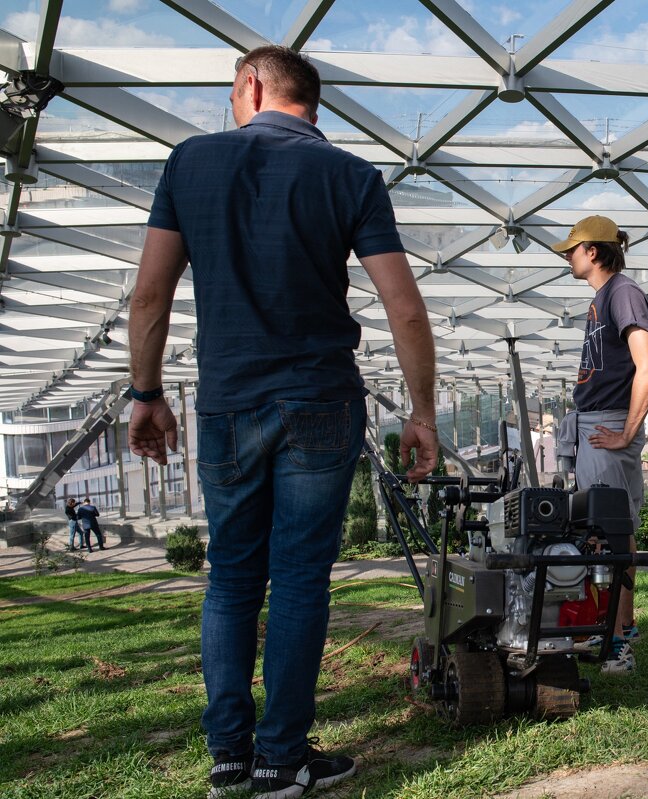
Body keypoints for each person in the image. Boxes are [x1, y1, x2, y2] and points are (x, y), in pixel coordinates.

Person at [126, 46, 438, 799]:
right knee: (299, 578)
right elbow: (403, 305)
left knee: (232, 577)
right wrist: (422, 409)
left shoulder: (189, 164)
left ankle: (229, 754)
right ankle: (280, 759)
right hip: (321, 398)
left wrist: (146, 393)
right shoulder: (351, 175)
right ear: (312, 101)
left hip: (228, 399)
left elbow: (149, 297)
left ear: (250, 86)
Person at [552, 215, 648, 676]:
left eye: (571, 250)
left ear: (592, 252)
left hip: (608, 426)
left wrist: (627, 432)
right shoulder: (603, 300)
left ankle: (618, 640)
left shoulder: (623, 293)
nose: (568, 258)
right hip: (596, 426)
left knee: (611, 534)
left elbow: (647, 368)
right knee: (603, 533)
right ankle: (611, 627)